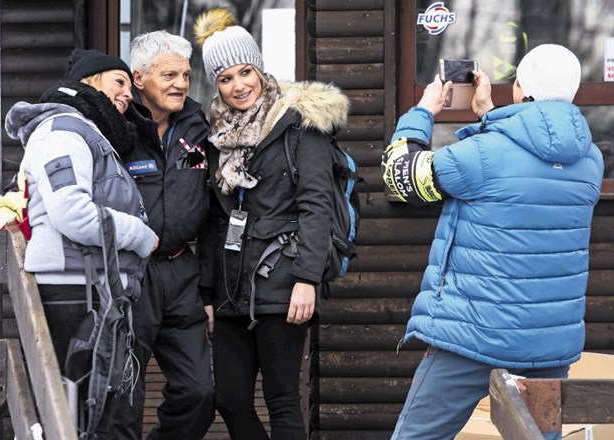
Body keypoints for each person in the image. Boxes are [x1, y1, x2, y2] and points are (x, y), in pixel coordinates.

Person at [382, 44, 604, 440]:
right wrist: (488, 114)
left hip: (471, 335)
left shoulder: (481, 154)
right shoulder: (590, 160)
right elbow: (522, 158)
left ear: (519, 88)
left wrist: (424, 110)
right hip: (547, 343)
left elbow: (402, 177)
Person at [193, 8, 349, 439]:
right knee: (229, 398)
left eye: (245, 72)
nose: (238, 85)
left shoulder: (300, 127)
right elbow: (212, 219)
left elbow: (316, 207)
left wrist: (307, 280)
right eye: (225, 78)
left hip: (283, 282)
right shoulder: (216, 135)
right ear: (216, 85)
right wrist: (207, 292)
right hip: (229, 287)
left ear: (259, 70)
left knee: (282, 401)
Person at [3, 49, 159, 438]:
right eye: (118, 82)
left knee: (100, 415)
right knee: (85, 417)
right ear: (89, 82)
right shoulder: (63, 130)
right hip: (76, 294)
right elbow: (71, 212)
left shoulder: (88, 132)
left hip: (94, 291)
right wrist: (140, 235)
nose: (128, 94)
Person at [107, 30, 215, 440]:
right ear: (139, 78)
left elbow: (213, 215)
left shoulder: (198, 125)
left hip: (180, 272)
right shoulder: (114, 128)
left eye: (185, 75)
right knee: (124, 395)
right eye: (169, 75)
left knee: (199, 392)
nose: (181, 84)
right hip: (129, 274)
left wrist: (206, 290)